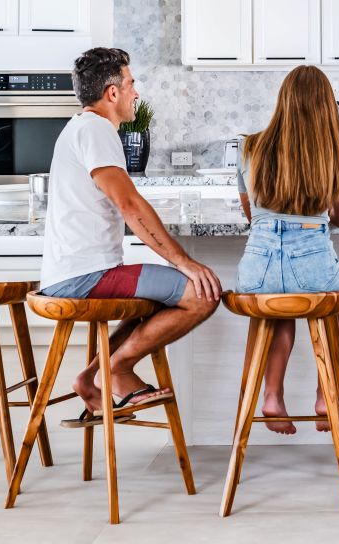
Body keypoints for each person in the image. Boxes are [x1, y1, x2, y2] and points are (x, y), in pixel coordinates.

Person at [39, 48, 221, 426]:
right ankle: (118, 370)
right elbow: (130, 205)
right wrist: (183, 261)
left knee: (159, 298)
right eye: (131, 83)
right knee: (202, 294)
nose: (136, 92)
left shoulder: (81, 127)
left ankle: (90, 377)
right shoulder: (96, 129)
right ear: (112, 93)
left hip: (75, 271)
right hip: (87, 275)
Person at [236, 65, 339, 434]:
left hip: (257, 269)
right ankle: (324, 394)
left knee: (278, 311)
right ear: (328, 106)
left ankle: (272, 396)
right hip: (313, 264)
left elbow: (250, 213)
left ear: (283, 100)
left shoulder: (250, 146)